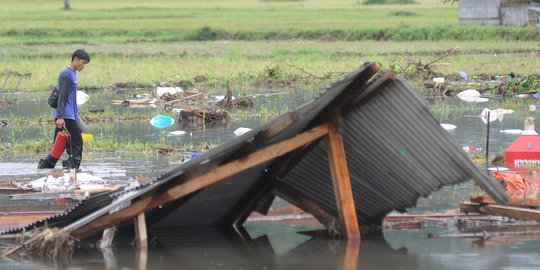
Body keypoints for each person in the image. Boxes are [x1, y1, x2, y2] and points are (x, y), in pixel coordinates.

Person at [38, 49, 90, 169]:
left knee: (59, 144)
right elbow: (62, 97)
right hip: (65, 115)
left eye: (85, 64)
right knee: (77, 142)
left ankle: (45, 166)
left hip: (70, 114)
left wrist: (75, 114)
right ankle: (73, 167)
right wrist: (60, 117)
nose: (83, 66)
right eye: (82, 63)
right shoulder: (67, 74)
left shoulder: (72, 73)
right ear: (75, 59)